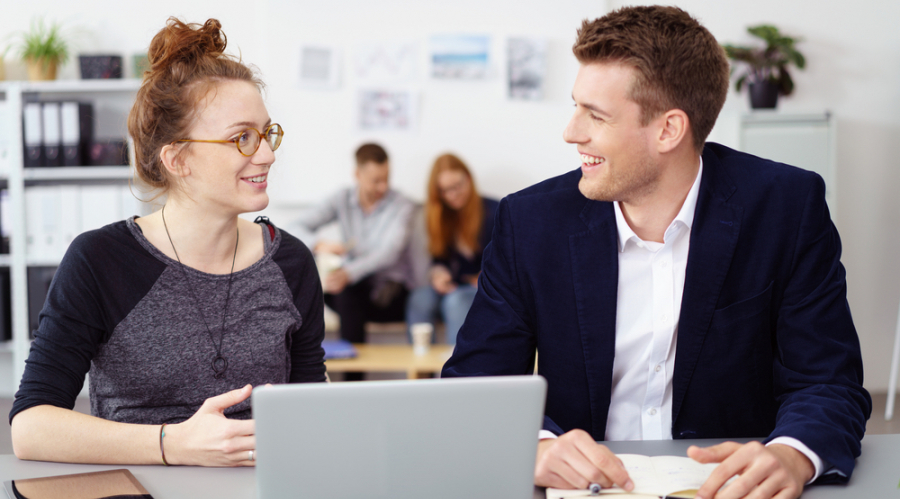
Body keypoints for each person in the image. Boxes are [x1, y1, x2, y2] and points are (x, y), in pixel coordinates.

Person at [442, 6, 870, 499]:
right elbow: (475, 385)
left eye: (595, 115)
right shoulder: (529, 223)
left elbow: (828, 382)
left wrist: (792, 455)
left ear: (669, 129)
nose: (571, 132)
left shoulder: (786, 208)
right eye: (575, 106)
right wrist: (533, 445)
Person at [9, 18, 326, 467]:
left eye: (266, 133)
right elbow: (31, 426)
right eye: (242, 138)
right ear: (178, 158)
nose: (268, 154)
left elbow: (313, 411)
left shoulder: (291, 262)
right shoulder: (99, 260)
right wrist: (172, 444)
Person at [293, 144, 415, 350]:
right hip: (352, 295)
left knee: (346, 291)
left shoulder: (402, 205)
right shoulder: (341, 199)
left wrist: (348, 273)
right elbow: (294, 227)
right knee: (335, 289)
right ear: (357, 174)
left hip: (388, 294)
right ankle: (341, 368)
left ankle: (352, 375)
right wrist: (318, 244)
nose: (383, 187)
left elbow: (388, 253)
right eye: (376, 181)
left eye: (386, 179)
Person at [405, 153, 498, 345]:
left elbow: (507, 260)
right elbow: (439, 259)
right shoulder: (439, 216)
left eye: (457, 186)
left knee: (456, 301)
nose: (453, 194)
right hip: (453, 285)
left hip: (482, 288)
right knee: (419, 299)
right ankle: (420, 369)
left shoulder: (495, 211)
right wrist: (438, 274)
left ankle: (455, 371)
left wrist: (485, 277)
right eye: (445, 190)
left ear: (469, 179)